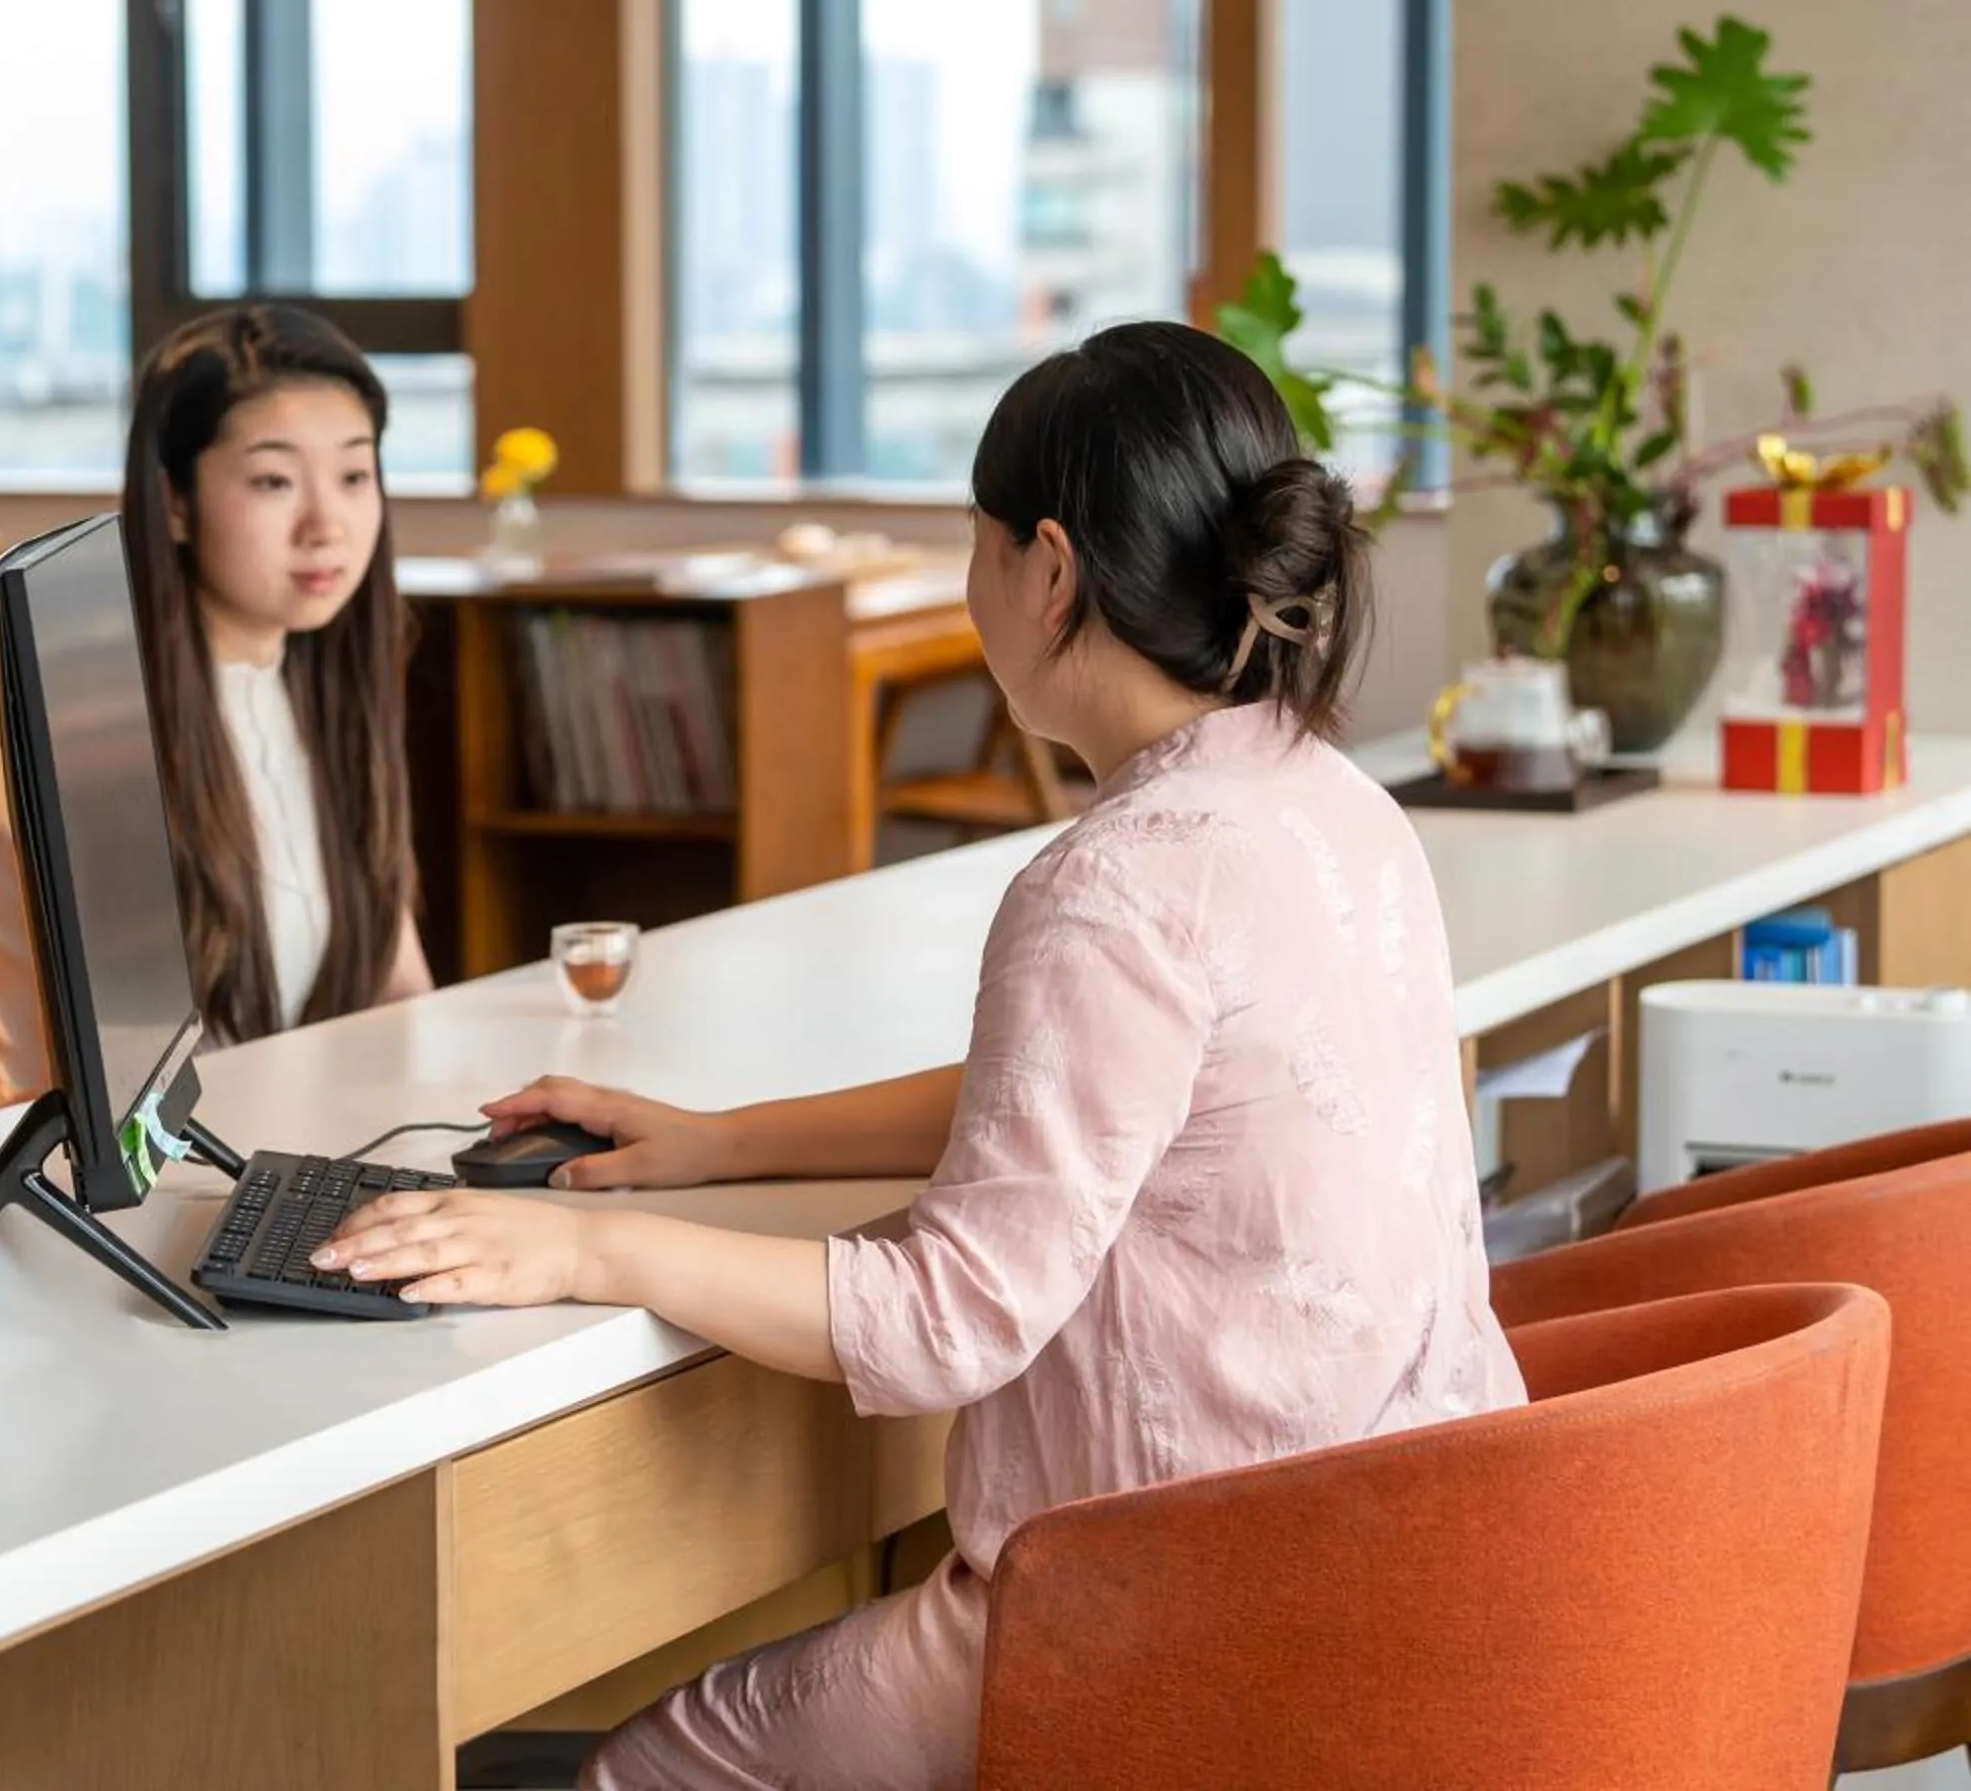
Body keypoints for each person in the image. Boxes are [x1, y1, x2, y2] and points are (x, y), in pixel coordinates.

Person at [318, 320, 1526, 1787]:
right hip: (1417, 1563)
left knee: (638, 1768)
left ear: (1050, 568)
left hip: (1179, 1612)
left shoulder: (1116, 881)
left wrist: (585, 1254)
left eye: (973, 542)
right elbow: (1100, 1104)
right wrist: (717, 1144)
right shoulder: (1330, 798)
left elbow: (953, 1316)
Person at [0, 305, 432, 1106]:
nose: (328, 526)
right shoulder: (94, 759)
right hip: (110, 1192)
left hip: (287, 1146)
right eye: (273, 481)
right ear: (174, 503)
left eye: (355, 476)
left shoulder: (329, 698)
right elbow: (110, 1119)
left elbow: (400, 996)